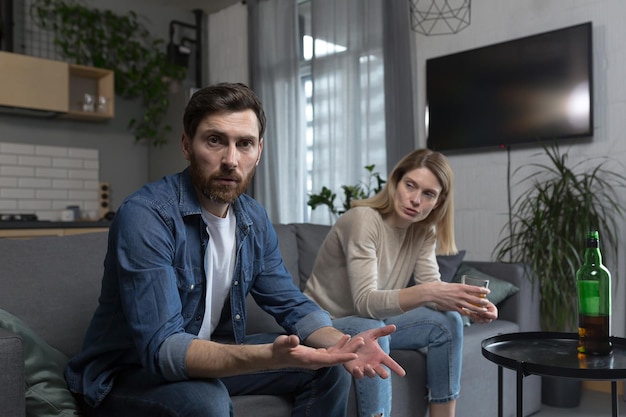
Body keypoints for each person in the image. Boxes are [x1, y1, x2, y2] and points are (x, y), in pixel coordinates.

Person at [65, 82, 405, 417]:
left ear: (259, 150)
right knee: (206, 400)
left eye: (244, 144)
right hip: (127, 374)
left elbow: (290, 302)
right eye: (215, 140)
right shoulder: (146, 215)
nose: (231, 160)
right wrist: (270, 356)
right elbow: (163, 351)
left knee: (329, 366)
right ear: (186, 144)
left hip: (200, 359)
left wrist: (337, 344)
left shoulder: (253, 218)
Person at [304, 149, 499, 417]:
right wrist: (431, 291)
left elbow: (432, 290)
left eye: (428, 194)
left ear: (439, 202)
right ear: (395, 182)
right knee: (373, 329)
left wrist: (468, 307)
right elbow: (365, 303)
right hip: (326, 324)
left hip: (371, 320)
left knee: (448, 322)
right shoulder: (363, 219)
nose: (415, 200)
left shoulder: (423, 231)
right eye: (410, 186)